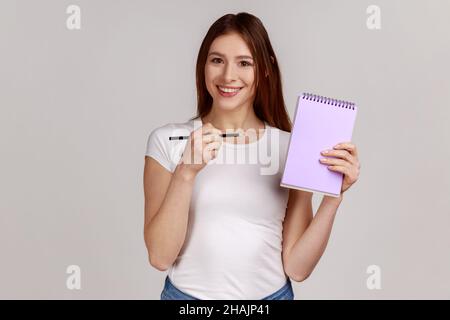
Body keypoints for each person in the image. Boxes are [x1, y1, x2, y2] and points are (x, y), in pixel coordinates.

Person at [143, 12, 360, 300]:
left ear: (265, 70)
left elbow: (297, 268)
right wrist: (186, 172)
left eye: (244, 63)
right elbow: (159, 256)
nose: (228, 76)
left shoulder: (290, 148)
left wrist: (334, 196)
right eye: (217, 60)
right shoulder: (168, 141)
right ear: (203, 66)